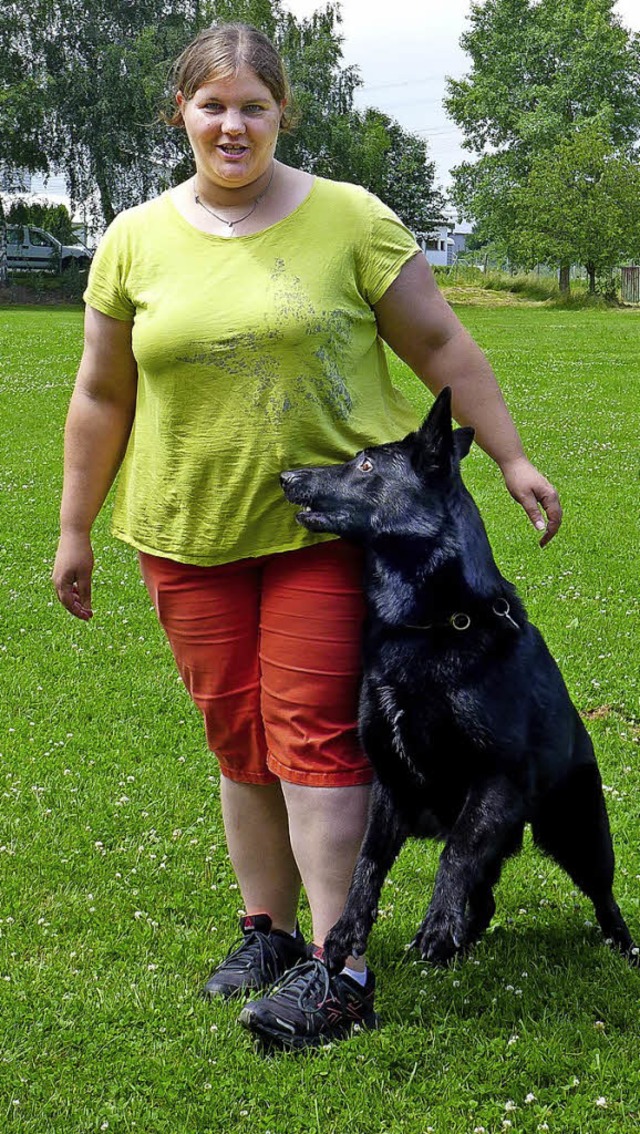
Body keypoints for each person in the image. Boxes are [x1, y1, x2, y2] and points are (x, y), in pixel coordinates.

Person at [52, 22, 562, 1050]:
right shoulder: (136, 237)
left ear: (283, 110)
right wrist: (75, 528)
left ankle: (341, 965)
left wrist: (507, 457)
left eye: (253, 104)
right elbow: (103, 393)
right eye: (212, 104)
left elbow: (439, 342)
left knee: (317, 743)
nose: (232, 123)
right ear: (182, 115)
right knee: (240, 744)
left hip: (329, 535)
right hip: (185, 534)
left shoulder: (348, 220)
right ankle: (266, 933)